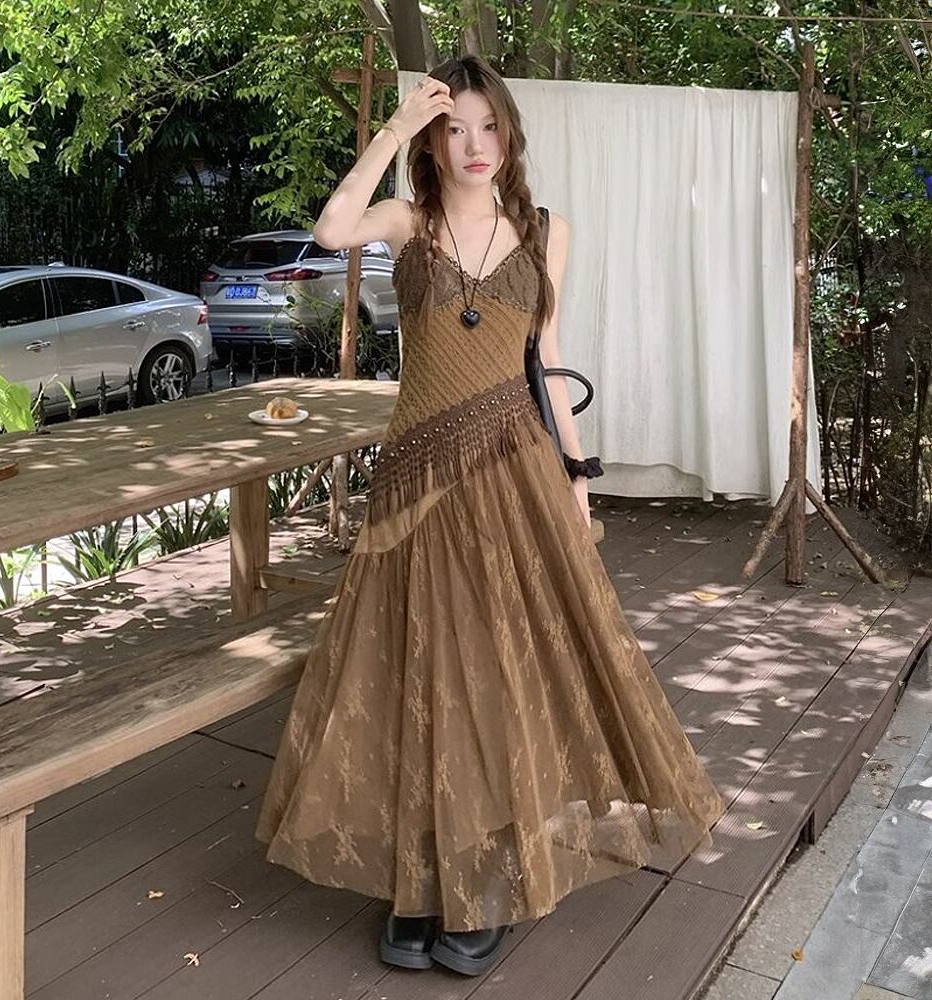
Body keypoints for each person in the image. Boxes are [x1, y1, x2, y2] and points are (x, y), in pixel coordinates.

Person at [255, 54, 724, 978]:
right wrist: (394, 127)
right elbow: (331, 227)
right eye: (454, 129)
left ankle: (489, 874)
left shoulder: (546, 231)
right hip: (417, 479)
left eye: (488, 126)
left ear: (509, 133)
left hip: (513, 472)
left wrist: (578, 475)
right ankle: (422, 877)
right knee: (412, 665)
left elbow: (546, 355)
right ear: (433, 142)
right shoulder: (409, 222)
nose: (474, 145)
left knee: (500, 666)